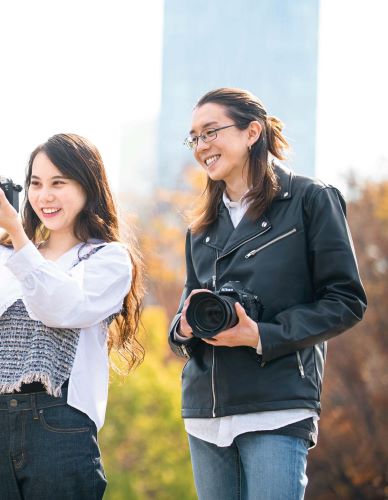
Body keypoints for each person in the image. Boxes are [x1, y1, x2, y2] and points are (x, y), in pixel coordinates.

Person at [168, 88, 367, 500]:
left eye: (211, 132)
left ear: (252, 131)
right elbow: (186, 310)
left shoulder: (311, 200)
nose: (201, 147)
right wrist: (184, 327)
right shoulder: (200, 228)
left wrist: (260, 334)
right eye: (194, 138)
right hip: (206, 412)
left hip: (277, 404)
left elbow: (346, 301)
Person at [0, 133, 144, 499]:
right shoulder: (1, 256)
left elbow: (61, 308)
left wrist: (16, 233)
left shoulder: (106, 258)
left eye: (59, 183)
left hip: (60, 421)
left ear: (89, 186)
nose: (45, 196)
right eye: (36, 184)